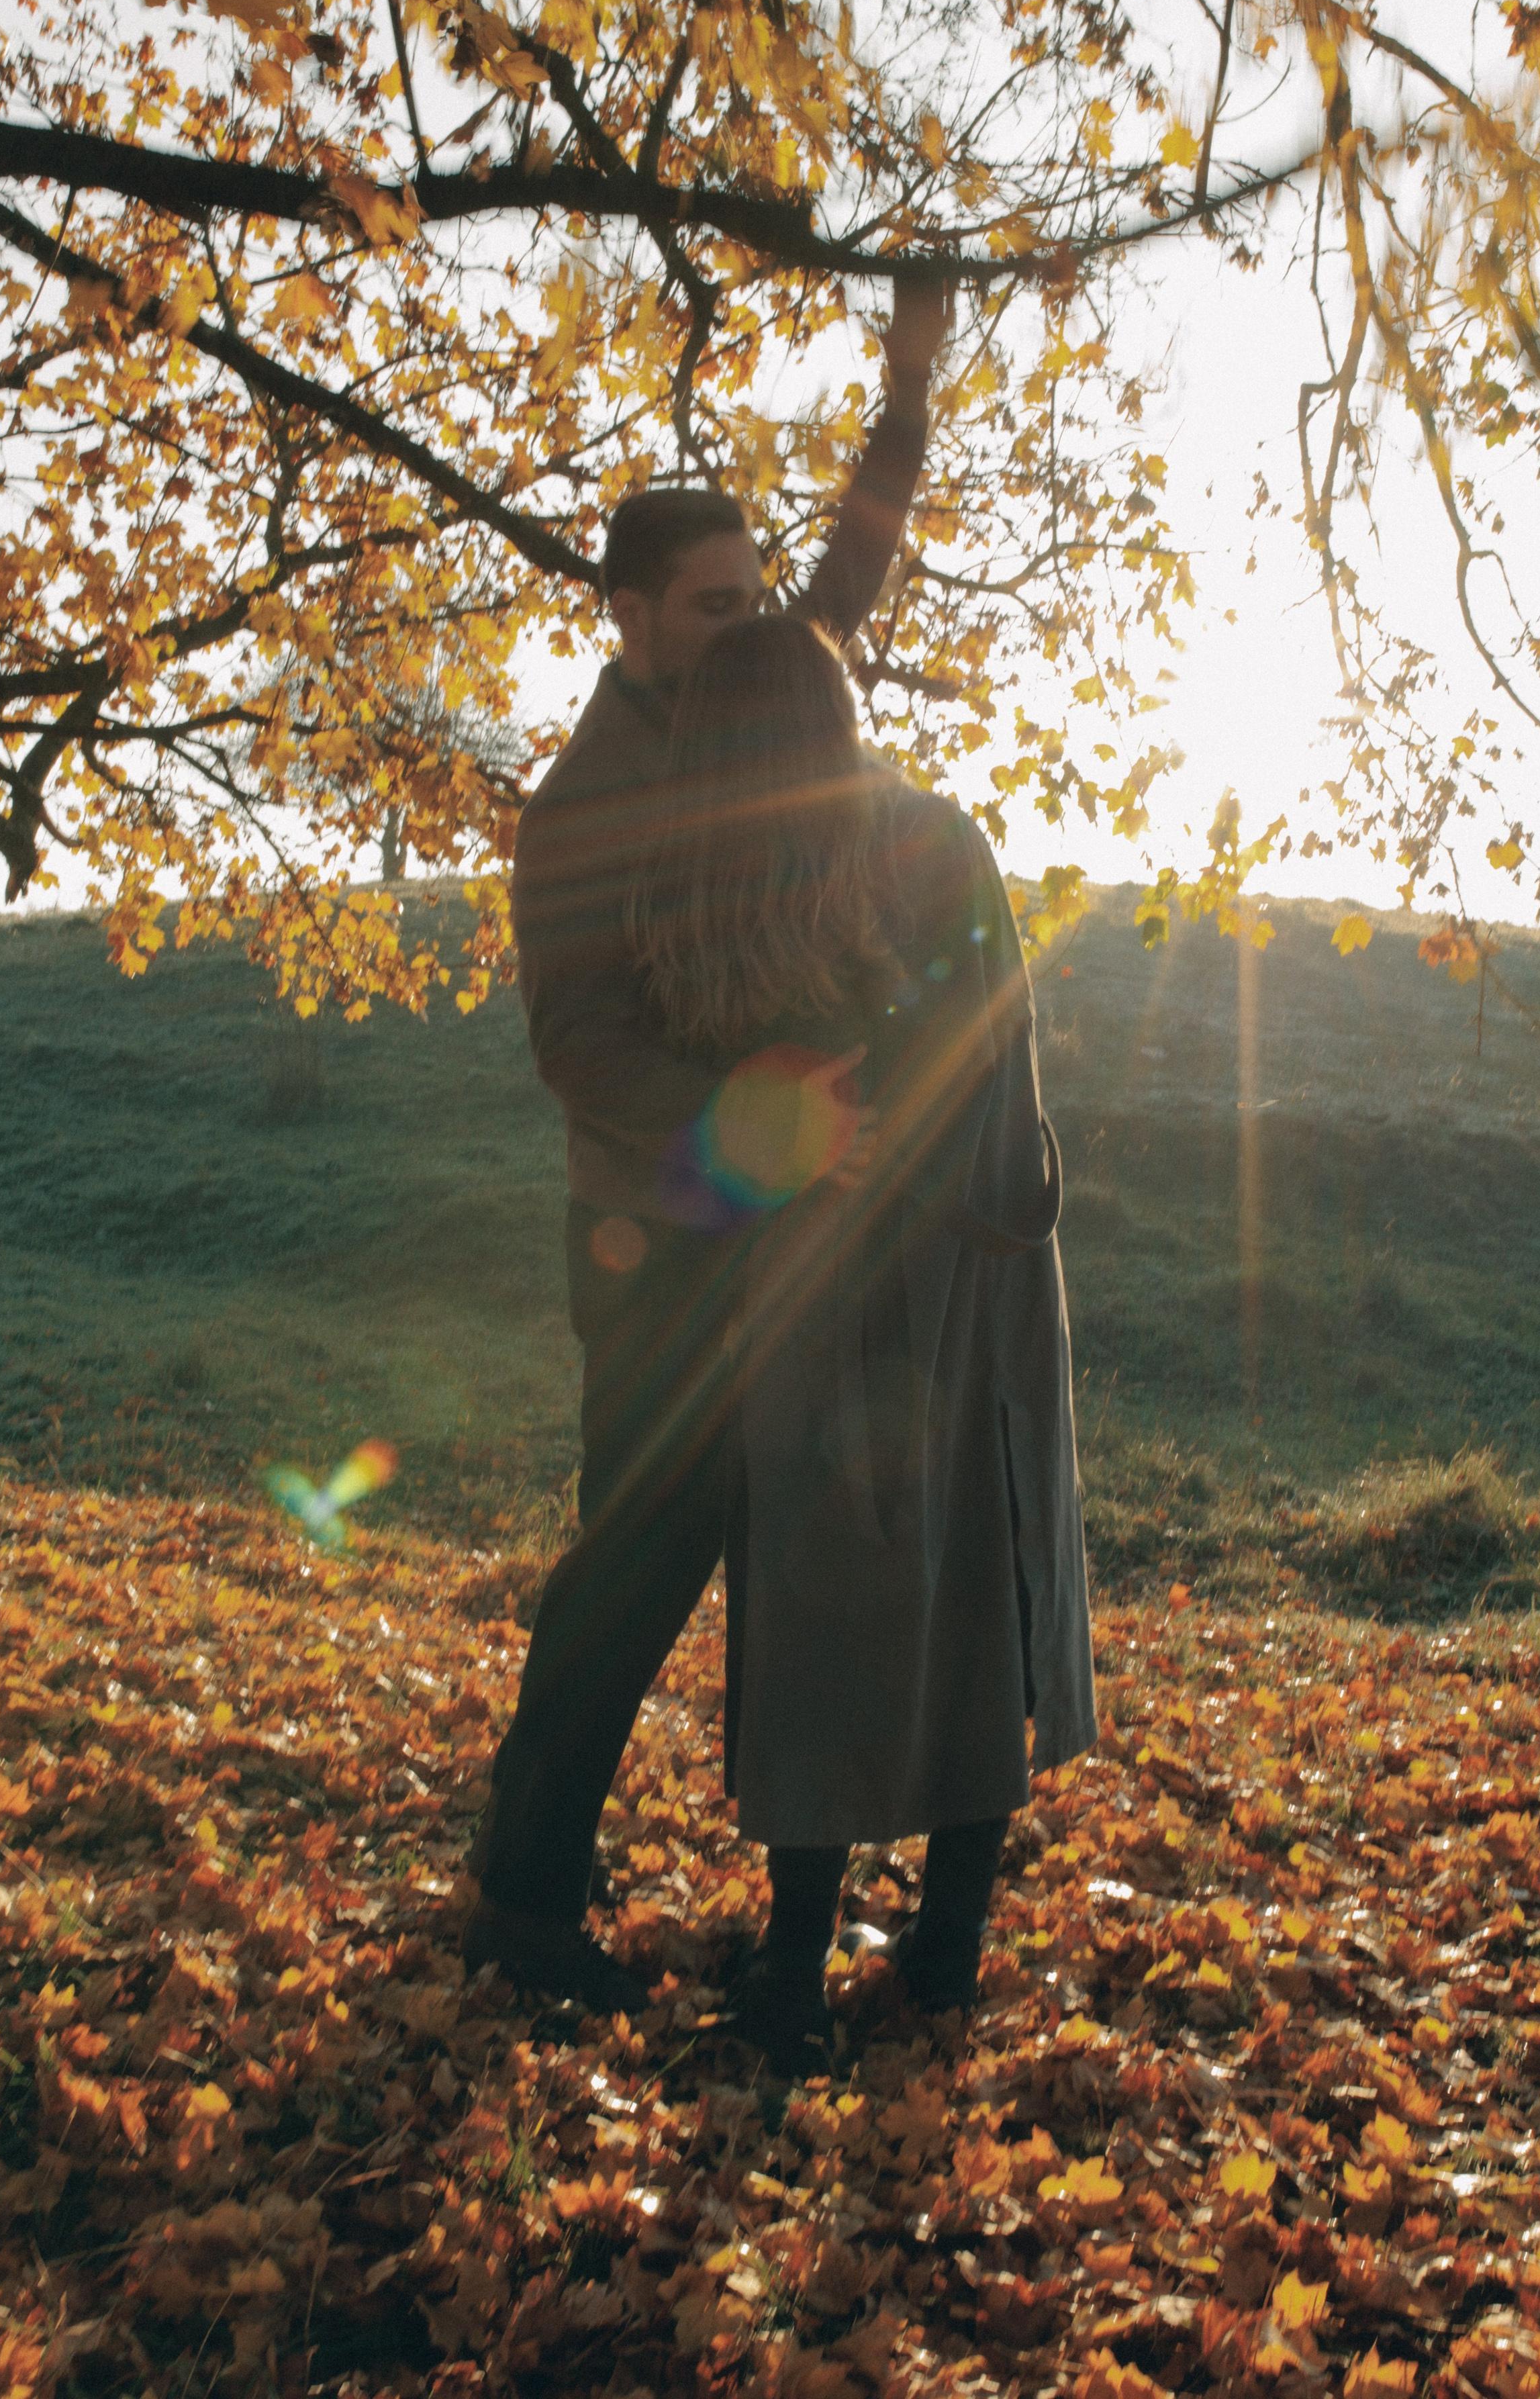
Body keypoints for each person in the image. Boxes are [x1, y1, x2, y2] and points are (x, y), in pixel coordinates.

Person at [459, 282, 953, 2010]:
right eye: (719, 603)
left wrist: (906, 378)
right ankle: (522, 1893)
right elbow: (574, 1043)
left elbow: (860, 560)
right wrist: (762, 1129)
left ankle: (793, 1913)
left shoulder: (770, 696)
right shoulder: (579, 804)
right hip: (661, 1241)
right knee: (635, 1566)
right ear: (630, 613)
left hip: (794, 1239)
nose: (760, 621)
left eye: (758, 595)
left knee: (802, 1566)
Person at [626, 614, 1096, 2073]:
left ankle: (795, 1969)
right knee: (971, 1592)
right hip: (955, 1274)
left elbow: (717, 1127)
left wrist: (777, 1145)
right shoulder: (924, 842)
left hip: (818, 1282)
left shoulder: (697, 879)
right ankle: (935, 1952)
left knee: (820, 1604)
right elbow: (977, 1063)